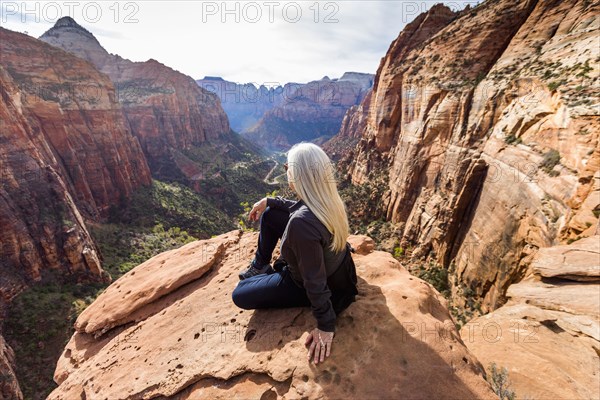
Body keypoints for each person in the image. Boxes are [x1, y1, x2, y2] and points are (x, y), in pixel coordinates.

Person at [231, 142, 358, 365]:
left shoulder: (301, 225)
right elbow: (300, 208)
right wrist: (269, 201)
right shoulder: (327, 199)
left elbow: (314, 281)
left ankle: (266, 274)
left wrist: (326, 325)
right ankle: (260, 266)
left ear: (298, 175)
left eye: (287, 167)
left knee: (240, 294)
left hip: (311, 283)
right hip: (340, 269)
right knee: (271, 213)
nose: (286, 171)